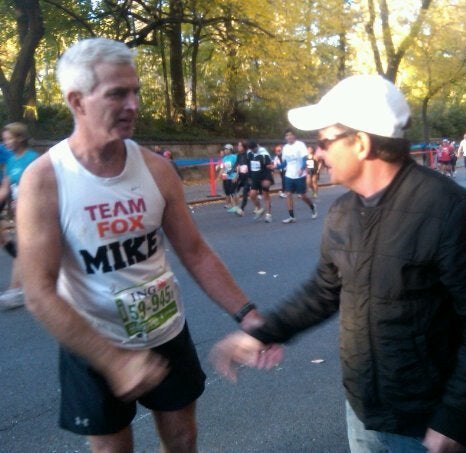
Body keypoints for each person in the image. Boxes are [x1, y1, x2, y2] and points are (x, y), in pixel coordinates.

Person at [210, 75, 466, 452]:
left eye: (323, 142)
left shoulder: (449, 210)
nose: (316, 153)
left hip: (426, 423)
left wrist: (455, 417)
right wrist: (262, 332)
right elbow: (323, 292)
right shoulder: (342, 211)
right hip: (363, 407)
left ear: (361, 142)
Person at [16, 37, 270, 452]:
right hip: (93, 342)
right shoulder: (45, 180)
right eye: (118, 93)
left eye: (135, 91)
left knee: (183, 439)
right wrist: (114, 361)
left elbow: (195, 251)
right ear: (77, 101)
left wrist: (248, 314)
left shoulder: (156, 168)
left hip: (166, 330)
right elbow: (40, 293)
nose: (133, 104)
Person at [0, 122, 39, 309]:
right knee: (28, 248)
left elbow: (41, 187)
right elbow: (5, 188)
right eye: (4, 139)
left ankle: (16, 290)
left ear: (20, 138)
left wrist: (26, 198)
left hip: (35, 210)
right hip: (19, 211)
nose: (5, 142)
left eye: (8, 138)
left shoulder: (33, 159)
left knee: (24, 248)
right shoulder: (11, 162)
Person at [280, 129, 317, 223]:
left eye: (291, 135)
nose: (289, 137)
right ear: (285, 137)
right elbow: (285, 163)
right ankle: (291, 216)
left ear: (294, 136)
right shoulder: (285, 148)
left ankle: (312, 207)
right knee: (288, 194)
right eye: (287, 135)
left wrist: (302, 168)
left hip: (300, 175)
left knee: (302, 195)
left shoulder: (300, 145)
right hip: (289, 175)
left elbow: (304, 159)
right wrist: (276, 166)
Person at [247, 140, 274, 223]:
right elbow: (249, 165)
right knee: (252, 195)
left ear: (257, 146)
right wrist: (249, 177)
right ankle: (259, 209)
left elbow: (269, 167)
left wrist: (268, 179)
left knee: (266, 195)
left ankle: (268, 215)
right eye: (251, 149)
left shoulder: (264, 153)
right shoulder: (249, 153)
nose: (252, 151)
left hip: (264, 175)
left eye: (254, 149)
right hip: (255, 176)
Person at [219, 144, 238, 210]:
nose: (225, 150)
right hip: (226, 177)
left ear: (231, 150)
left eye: (227, 149)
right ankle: (229, 204)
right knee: (227, 191)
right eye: (225, 149)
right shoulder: (224, 158)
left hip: (233, 177)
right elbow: (223, 168)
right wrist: (220, 175)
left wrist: (236, 175)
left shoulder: (234, 157)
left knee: (232, 192)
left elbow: (237, 166)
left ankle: (235, 205)